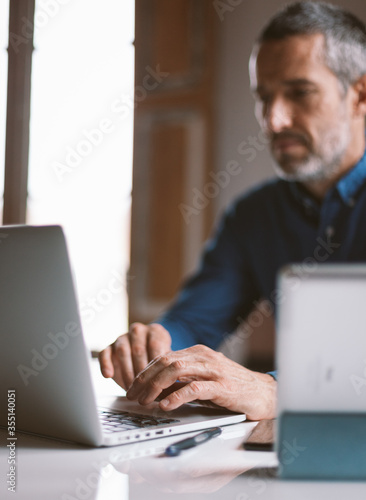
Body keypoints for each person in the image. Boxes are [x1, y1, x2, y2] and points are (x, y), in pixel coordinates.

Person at [99, 1, 366, 420]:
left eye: (300, 93)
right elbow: (197, 318)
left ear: (360, 94)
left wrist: (275, 390)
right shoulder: (254, 215)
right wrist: (157, 346)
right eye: (264, 97)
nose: (274, 120)